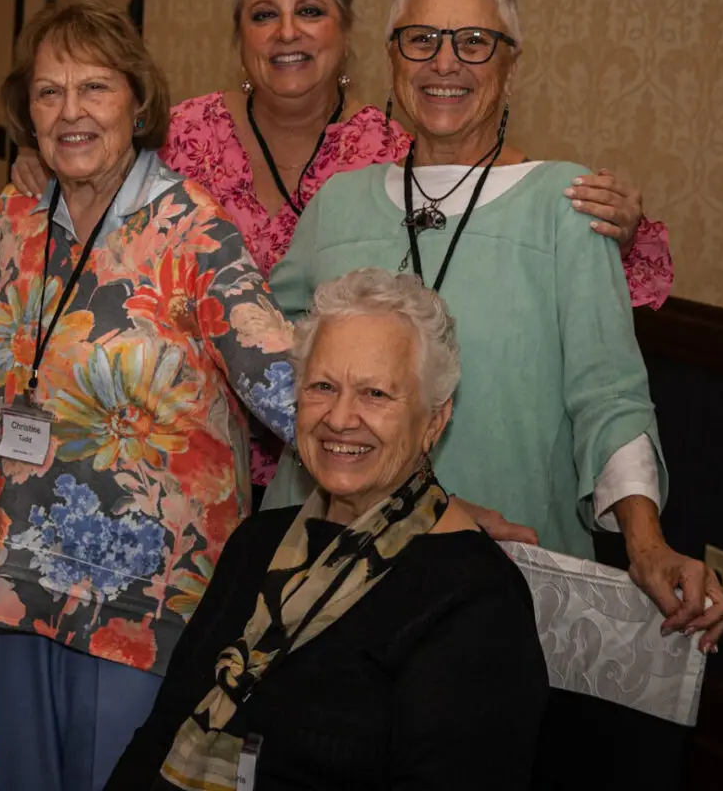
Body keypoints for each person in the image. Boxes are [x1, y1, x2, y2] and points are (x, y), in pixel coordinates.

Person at [10, 0, 674, 507]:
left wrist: (622, 224)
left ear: (348, 33)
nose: (287, 32)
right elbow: (93, 204)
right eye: (263, 14)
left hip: (359, 459)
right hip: (187, 456)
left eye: (310, 11)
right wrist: (44, 176)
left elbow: (592, 344)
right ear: (239, 36)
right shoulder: (175, 139)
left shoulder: (392, 153)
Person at [268, 0, 723, 650]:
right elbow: (268, 360)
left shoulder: (567, 204)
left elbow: (608, 394)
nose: (444, 63)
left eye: (474, 42)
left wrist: (646, 542)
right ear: (393, 59)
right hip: (328, 561)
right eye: (421, 40)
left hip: (497, 573)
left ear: (511, 64)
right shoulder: (336, 204)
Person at [0, 0, 297, 791]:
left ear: (138, 101)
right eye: (49, 92)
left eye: (95, 88)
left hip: (144, 597)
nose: (71, 112)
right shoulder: (14, 220)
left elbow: (283, 384)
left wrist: (412, 480)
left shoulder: (196, 231)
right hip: (18, 572)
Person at [106, 268, 547, 790]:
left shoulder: (476, 602)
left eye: (376, 394)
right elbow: (162, 732)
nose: (339, 418)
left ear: (434, 420)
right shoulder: (257, 545)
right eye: (322, 387)